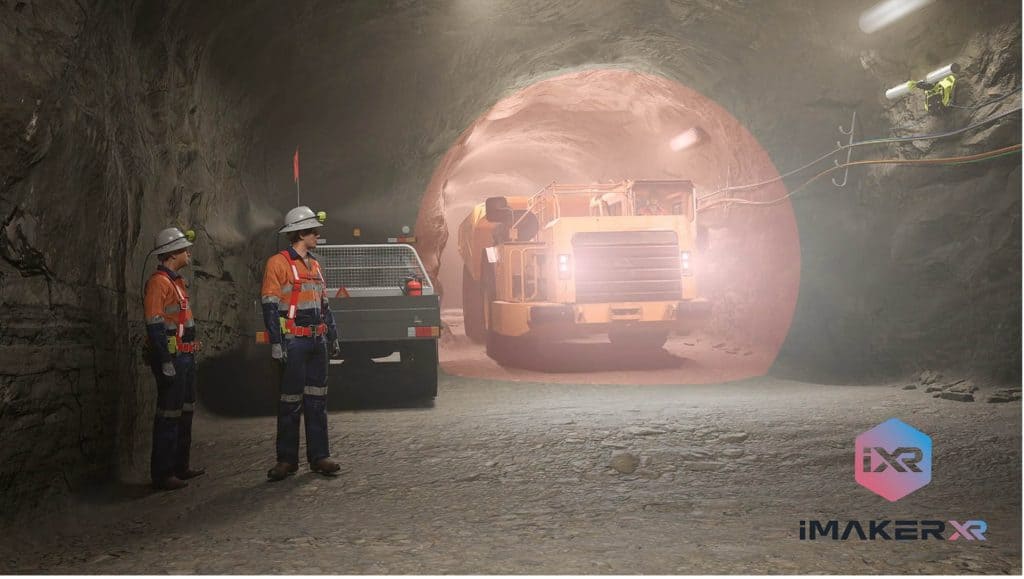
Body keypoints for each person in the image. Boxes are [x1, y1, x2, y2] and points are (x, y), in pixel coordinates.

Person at [261, 206, 342, 481]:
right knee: (290, 401)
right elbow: (270, 305)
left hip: (316, 341)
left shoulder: (315, 265)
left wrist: (332, 334)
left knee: (317, 400)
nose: (317, 234)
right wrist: (276, 341)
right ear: (300, 233)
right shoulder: (278, 263)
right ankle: (286, 460)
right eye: (312, 231)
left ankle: (319, 456)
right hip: (293, 341)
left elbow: (324, 303)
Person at [144, 227, 205, 491]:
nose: (188, 252)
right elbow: (155, 323)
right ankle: (163, 472)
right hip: (173, 357)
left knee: (185, 412)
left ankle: (181, 465)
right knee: (169, 414)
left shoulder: (177, 282)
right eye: (183, 248)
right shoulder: (158, 283)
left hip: (185, 356)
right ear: (170, 254)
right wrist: (165, 359)